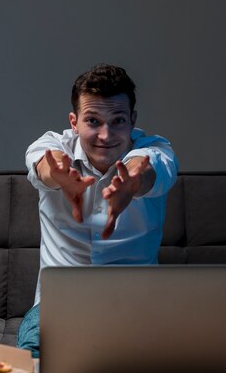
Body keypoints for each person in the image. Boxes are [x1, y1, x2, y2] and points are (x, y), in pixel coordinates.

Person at [17, 64, 179, 357]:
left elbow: (146, 168)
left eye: (117, 120)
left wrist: (130, 185)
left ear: (132, 120)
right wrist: (61, 177)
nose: (105, 135)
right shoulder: (53, 144)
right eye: (93, 121)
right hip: (59, 305)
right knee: (33, 358)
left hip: (138, 306)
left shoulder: (157, 151)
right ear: (74, 121)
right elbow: (46, 163)